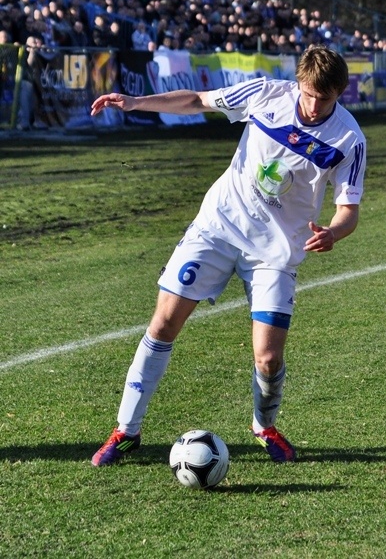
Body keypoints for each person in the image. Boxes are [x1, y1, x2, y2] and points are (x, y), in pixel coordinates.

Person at [89, 45, 367, 466]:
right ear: (298, 83)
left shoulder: (349, 139)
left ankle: (264, 425)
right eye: (308, 94)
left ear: (340, 94)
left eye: (323, 99)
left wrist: (334, 232)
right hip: (218, 227)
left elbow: (349, 211)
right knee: (163, 321)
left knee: (269, 358)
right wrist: (135, 103)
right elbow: (198, 100)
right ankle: (126, 431)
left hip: (275, 253)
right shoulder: (265, 95)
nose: (312, 106)